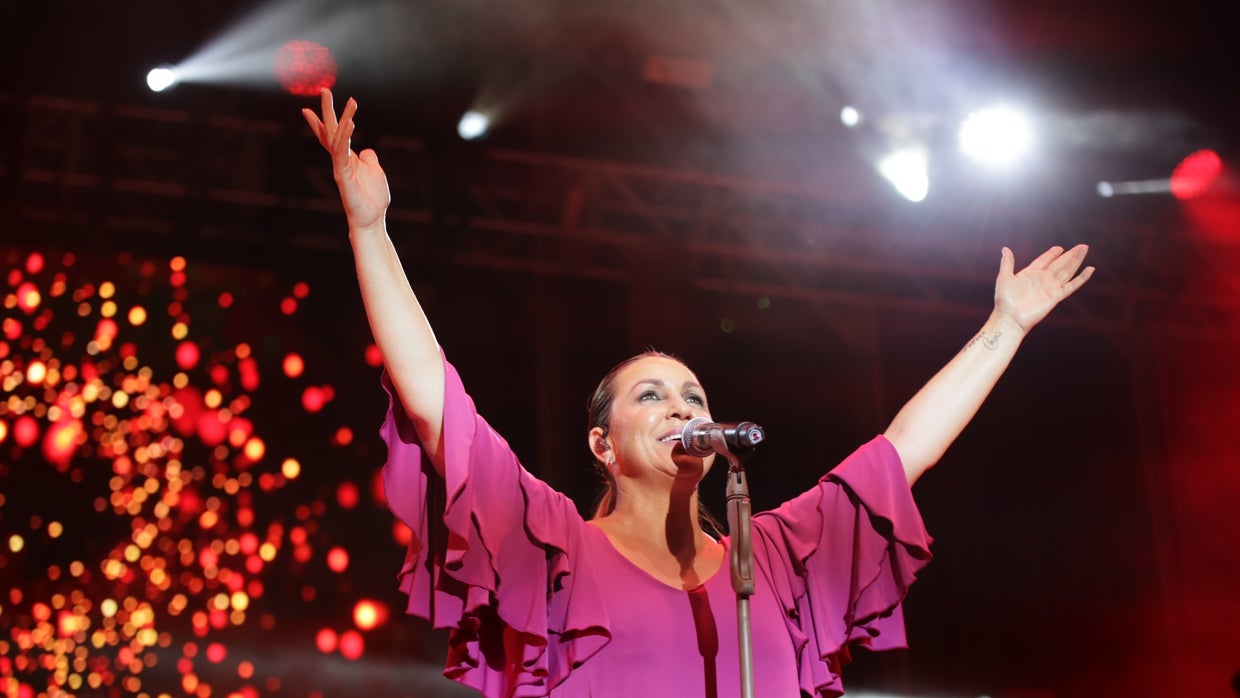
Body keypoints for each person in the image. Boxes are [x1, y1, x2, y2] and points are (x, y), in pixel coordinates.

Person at [302, 89, 1094, 698]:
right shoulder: (555, 548)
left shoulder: (777, 559)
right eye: (650, 396)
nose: (682, 408)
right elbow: (434, 401)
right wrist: (370, 231)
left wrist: (1006, 328)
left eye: (692, 394)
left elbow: (902, 451)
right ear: (601, 444)